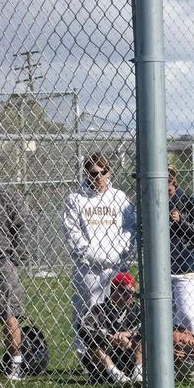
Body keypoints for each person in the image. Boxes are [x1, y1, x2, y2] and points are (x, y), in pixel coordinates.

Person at [63, 153, 136, 357]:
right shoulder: (75, 199)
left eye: (103, 172)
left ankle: (115, 356)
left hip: (116, 265)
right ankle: (88, 357)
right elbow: (73, 234)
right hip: (89, 268)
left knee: (117, 311)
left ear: (109, 172)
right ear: (87, 174)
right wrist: (96, 254)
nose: (99, 177)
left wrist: (117, 252)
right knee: (88, 312)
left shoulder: (119, 197)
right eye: (94, 173)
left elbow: (130, 228)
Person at [79, 272, 142, 384]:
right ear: (114, 290)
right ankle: (116, 375)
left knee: (142, 340)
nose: (129, 296)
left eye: (132, 293)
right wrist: (111, 338)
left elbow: (149, 326)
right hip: (107, 356)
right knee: (93, 346)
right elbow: (84, 328)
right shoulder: (99, 309)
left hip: (129, 354)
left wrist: (128, 334)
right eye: (124, 292)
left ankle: (138, 373)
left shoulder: (137, 310)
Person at [167, 166, 194, 335]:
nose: (166, 187)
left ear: (174, 181)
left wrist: (181, 221)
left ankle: (192, 345)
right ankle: (171, 348)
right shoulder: (153, 200)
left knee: (187, 315)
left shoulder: (187, 201)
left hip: (186, 265)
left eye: (168, 182)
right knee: (165, 318)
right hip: (161, 269)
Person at [0, 183, 28, 380]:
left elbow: (22, 224)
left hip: (1, 258)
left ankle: (16, 364)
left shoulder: (5, 195)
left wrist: (16, 258)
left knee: (8, 313)